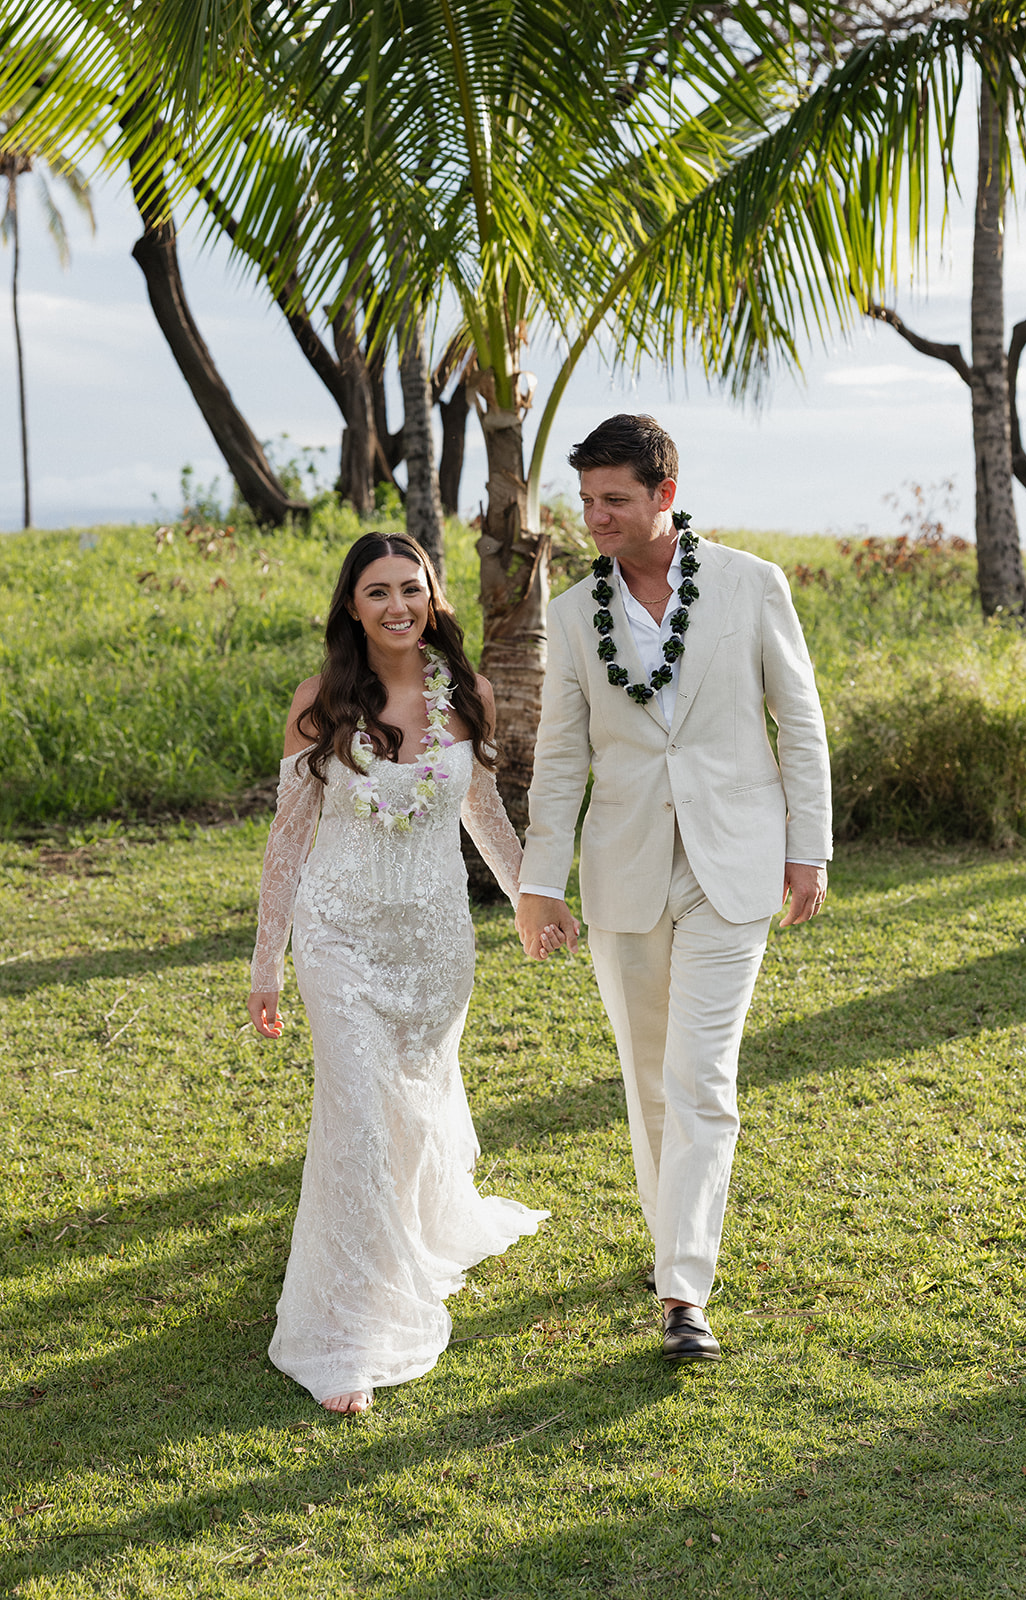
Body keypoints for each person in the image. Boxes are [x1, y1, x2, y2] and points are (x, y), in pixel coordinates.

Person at [515, 414, 832, 1364]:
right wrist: (539, 880)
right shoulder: (572, 615)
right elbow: (562, 756)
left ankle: (683, 1290)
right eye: (585, 502)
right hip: (624, 869)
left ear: (665, 491)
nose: (596, 518)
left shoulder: (749, 584)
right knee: (648, 1077)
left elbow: (800, 723)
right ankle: (672, 1249)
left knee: (701, 1078)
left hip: (733, 862)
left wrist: (806, 848)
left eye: (614, 499)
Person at [249, 531, 558, 1415]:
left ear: (433, 597)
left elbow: (487, 816)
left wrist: (533, 899)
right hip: (338, 935)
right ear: (351, 605)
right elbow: (287, 843)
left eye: (410, 588)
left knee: (411, 1111)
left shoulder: (471, 699)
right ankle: (345, 1328)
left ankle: (411, 1234)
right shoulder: (319, 704)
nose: (396, 606)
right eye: (377, 590)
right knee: (358, 1119)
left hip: (434, 943)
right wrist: (267, 964)